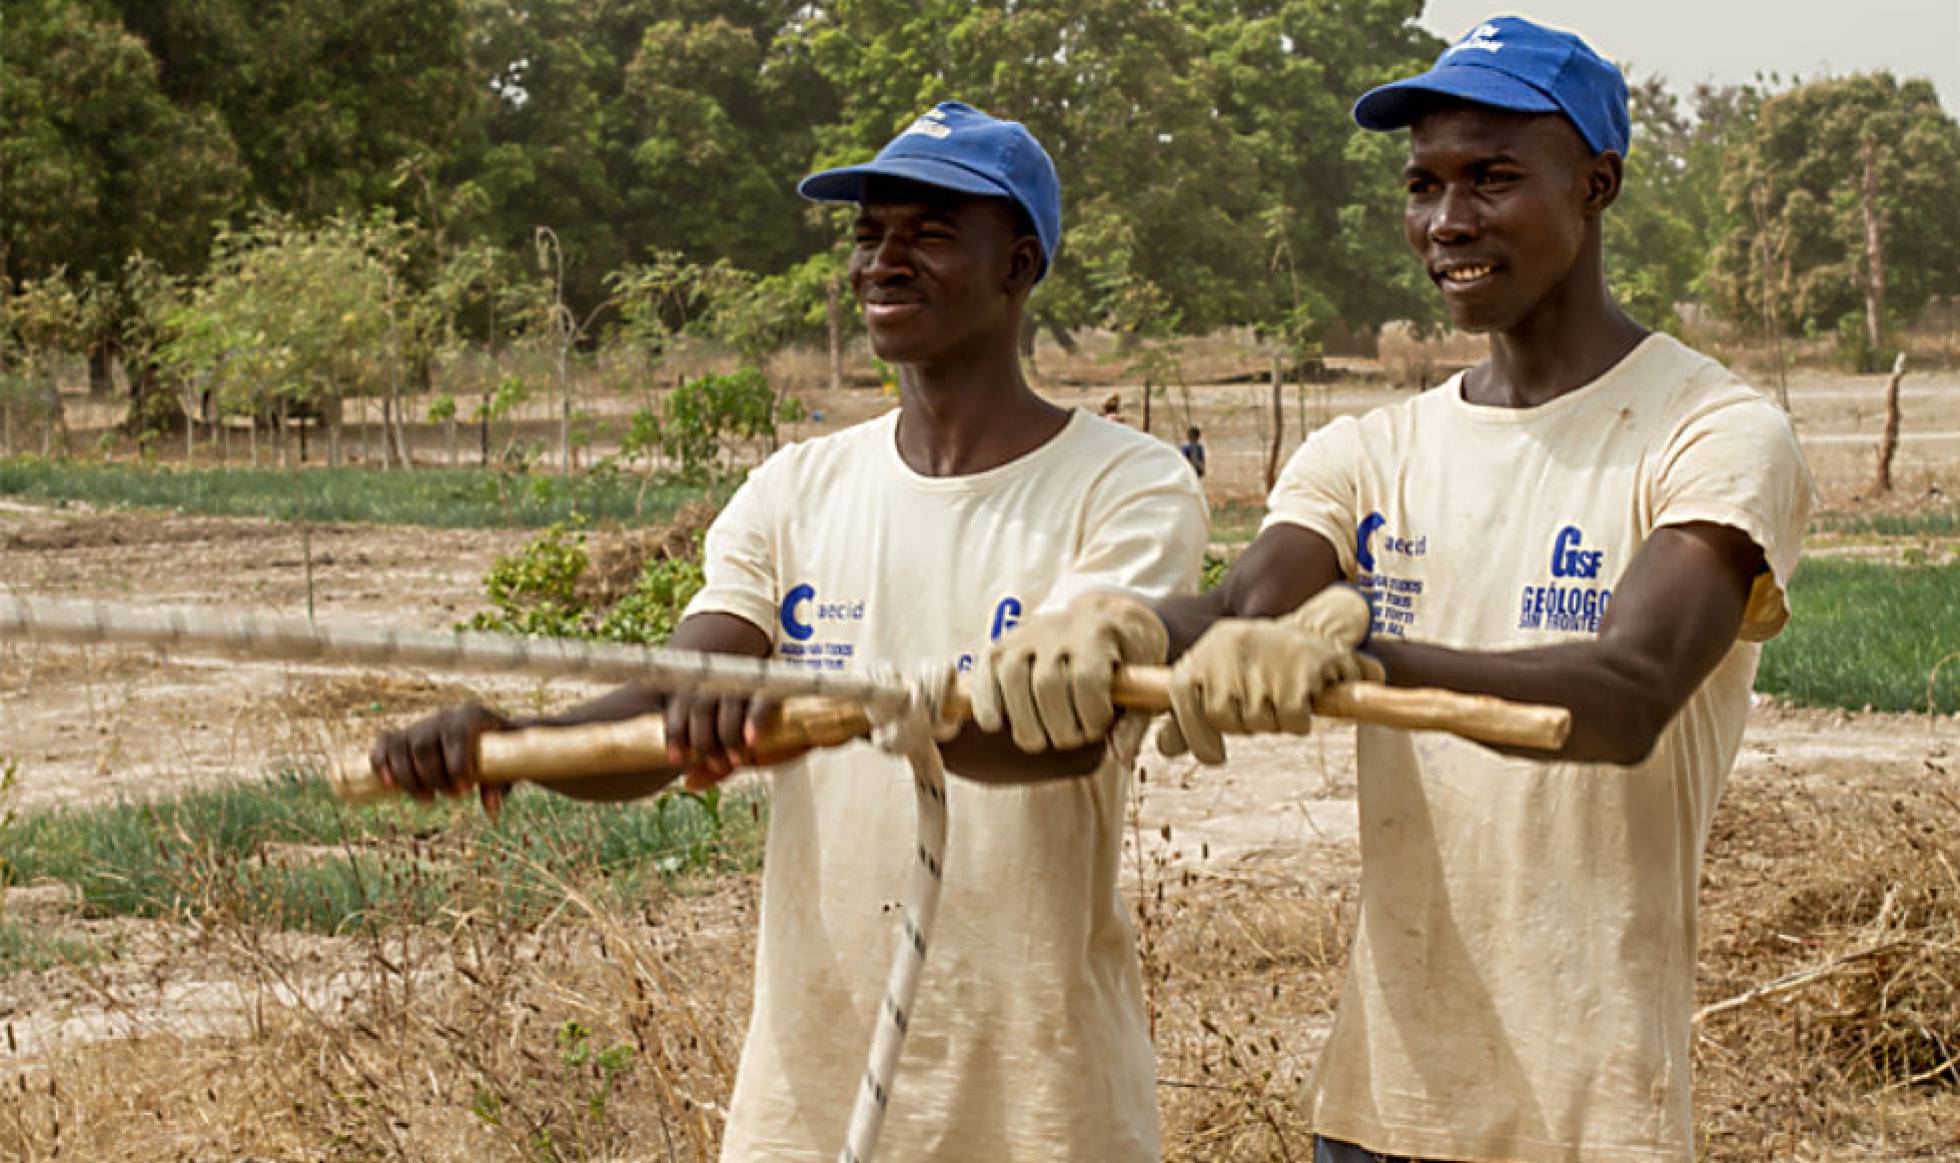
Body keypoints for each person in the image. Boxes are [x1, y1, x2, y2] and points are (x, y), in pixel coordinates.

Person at [973, 17, 1813, 1163]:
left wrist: (1360, 663)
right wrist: (1114, 626)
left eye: (1492, 177)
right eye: (1422, 185)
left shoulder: (1711, 430)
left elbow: (1627, 691)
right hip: (1374, 1104)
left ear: (1596, 184)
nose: (1447, 221)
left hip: (1589, 1109)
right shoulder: (1367, 451)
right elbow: (1240, 616)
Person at [369, 101, 1207, 1162]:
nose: (883, 261)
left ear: (1020, 263)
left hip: (1041, 1096)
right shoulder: (794, 488)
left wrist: (824, 709)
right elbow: (679, 697)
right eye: (868, 235)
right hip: (812, 1096)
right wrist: (513, 738)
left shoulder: (1126, 485)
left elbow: (1059, 735)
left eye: (931, 232)